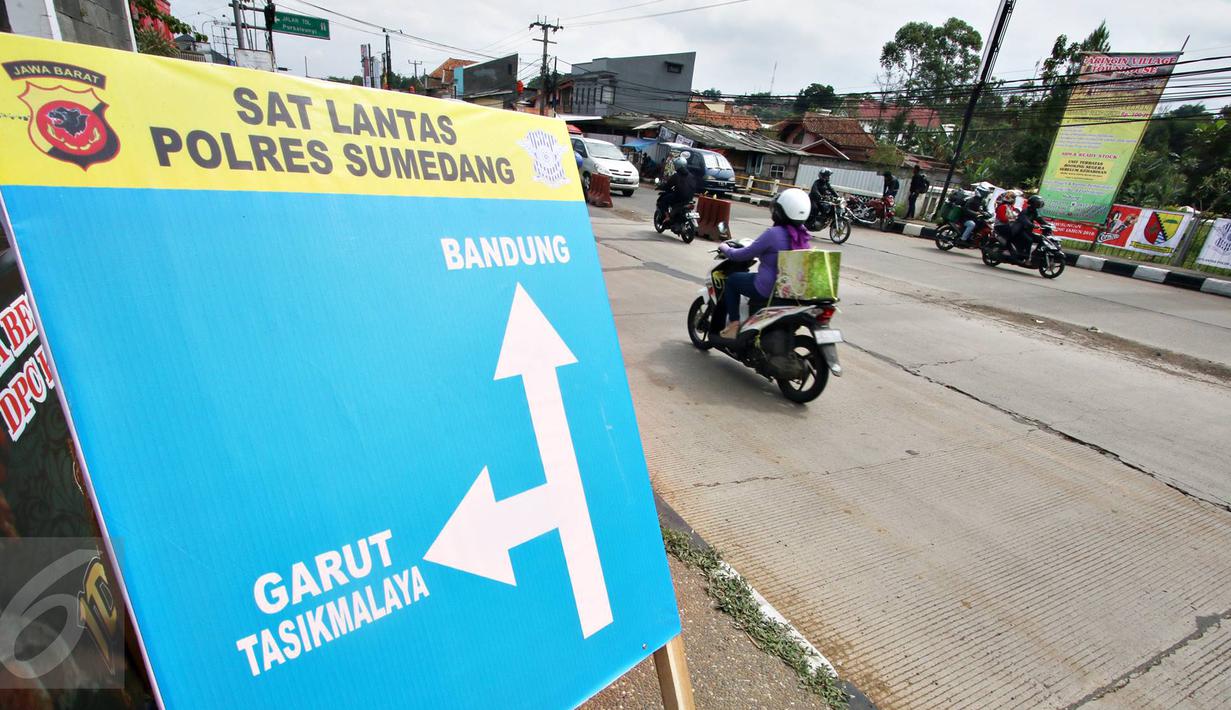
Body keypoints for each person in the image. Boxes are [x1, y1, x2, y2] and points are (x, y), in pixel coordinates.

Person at [716, 188, 812, 339]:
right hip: (790, 290)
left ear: (780, 212)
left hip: (766, 288)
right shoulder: (803, 235)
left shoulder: (773, 234)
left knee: (732, 280)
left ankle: (733, 325)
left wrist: (725, 248)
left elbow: (744, 255)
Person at [657, 156, 698, 222]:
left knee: (663, 201)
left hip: (679, 198)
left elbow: (668, 186)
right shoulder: (691, 175)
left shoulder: (676, 176)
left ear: (677, 166)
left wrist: (662, 187)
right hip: (689, 198)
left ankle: (667, 217)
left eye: (675, 165)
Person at [1009, 194, 1050, 259]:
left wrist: (1048, 225)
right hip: (1020, 230)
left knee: (1041, 239)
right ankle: (1026, 257)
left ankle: (1036, 256)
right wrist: (1033, 225)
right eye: (1037, 203)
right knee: (1029, 240)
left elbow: (1039, 219)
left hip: (1027, 231)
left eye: (1039, 203)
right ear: (1033, 203)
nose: (1039, 204)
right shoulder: (1025, 211)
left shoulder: (1034, 212)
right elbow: (1025, 221)